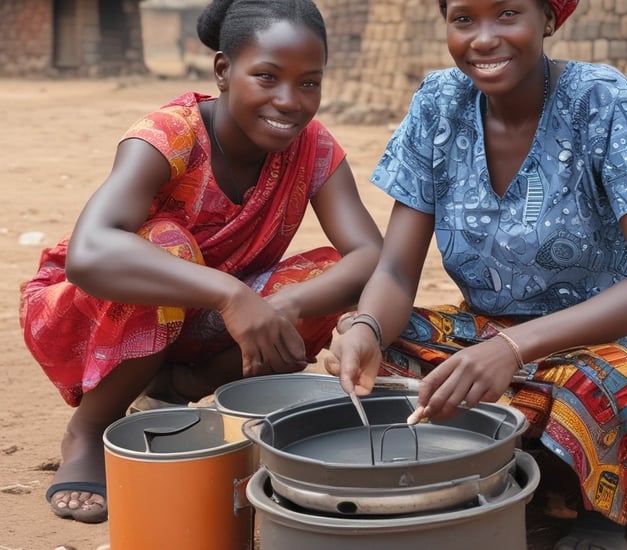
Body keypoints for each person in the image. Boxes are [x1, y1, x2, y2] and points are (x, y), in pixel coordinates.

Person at [326, 0, 627, 548]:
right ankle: (502, 473)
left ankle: (597, 509)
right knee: (376, 356)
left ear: (549, 19)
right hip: (485, 333)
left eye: (507, 13)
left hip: (611, 336)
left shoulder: (601, 102)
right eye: (464, 19)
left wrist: (513, 347)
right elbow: (394, 268)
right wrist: (364, 329)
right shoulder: (439, 105)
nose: (483, 39)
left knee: (604, 380)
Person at [19, 0, 382, 524]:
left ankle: (183, 387)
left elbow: (371, 256)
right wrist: (229, 294)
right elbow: (90, 252)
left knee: (330, 275)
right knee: (166, 245)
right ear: (222, 71)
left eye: (309, 83)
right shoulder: (170, 134)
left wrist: (282, 306)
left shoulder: (312, 148)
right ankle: (91, 428)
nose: (290, 101)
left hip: (204, 326)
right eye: (267, 77)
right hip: (92, 314)